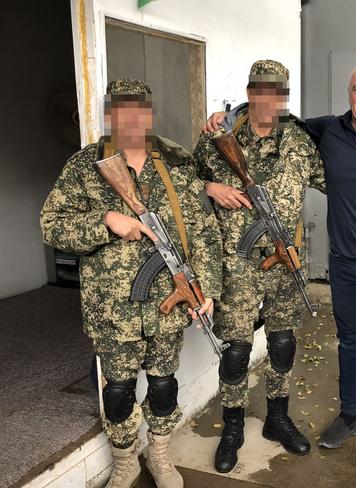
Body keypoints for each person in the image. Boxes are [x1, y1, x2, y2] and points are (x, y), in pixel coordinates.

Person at [205, 62, 356, 465]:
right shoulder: (325, 129)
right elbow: (266, 111)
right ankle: (348, 416)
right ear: (348, 92)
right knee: (346, 342)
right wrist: (226, 118)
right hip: (343, 262)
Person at [40, 79, 223, 488]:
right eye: (121, 110)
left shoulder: (175, 167)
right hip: (111, 309)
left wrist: (205, 288)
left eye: (138, 110)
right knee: (118, 391)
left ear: (149, 114)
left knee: (162, 385)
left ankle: (159, 456)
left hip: (168, 305)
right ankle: (126, 462)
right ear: (110, 115)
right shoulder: (84, 167)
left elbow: (205, 232)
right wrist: (105, 221)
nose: (131, 119)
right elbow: (51, 225)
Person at [192, 60, 326, 473]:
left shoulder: (302, 143)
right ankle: (232, 425)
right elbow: (177, 187)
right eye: (260, 90)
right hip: (236, 267)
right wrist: (209, 187)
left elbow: (342, 179)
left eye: (277, 92)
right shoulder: (219, 137)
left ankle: (277, 418)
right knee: (236, 350)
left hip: (285, 264)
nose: (268, 99)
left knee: (282, 342)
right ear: (249, 92)